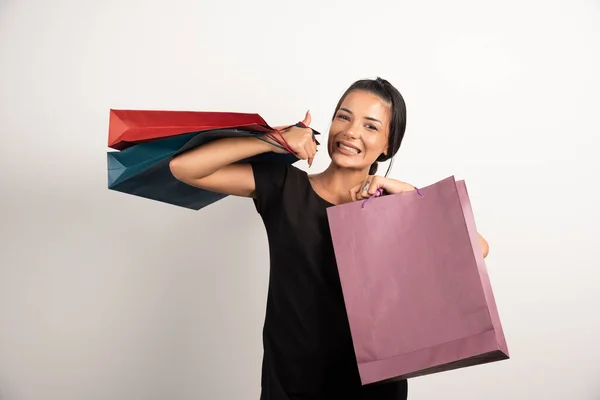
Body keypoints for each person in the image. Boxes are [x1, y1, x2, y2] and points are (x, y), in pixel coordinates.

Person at [169, 77, 490, 399]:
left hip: (373, 383)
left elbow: (477, 248)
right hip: (292, 381)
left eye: (370, 126)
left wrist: (409, 195)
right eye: (344, 116)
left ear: (388, 145)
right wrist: (275, 140)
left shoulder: (393, 208)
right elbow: (185, 167)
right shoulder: (285, 186)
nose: (351, 132)